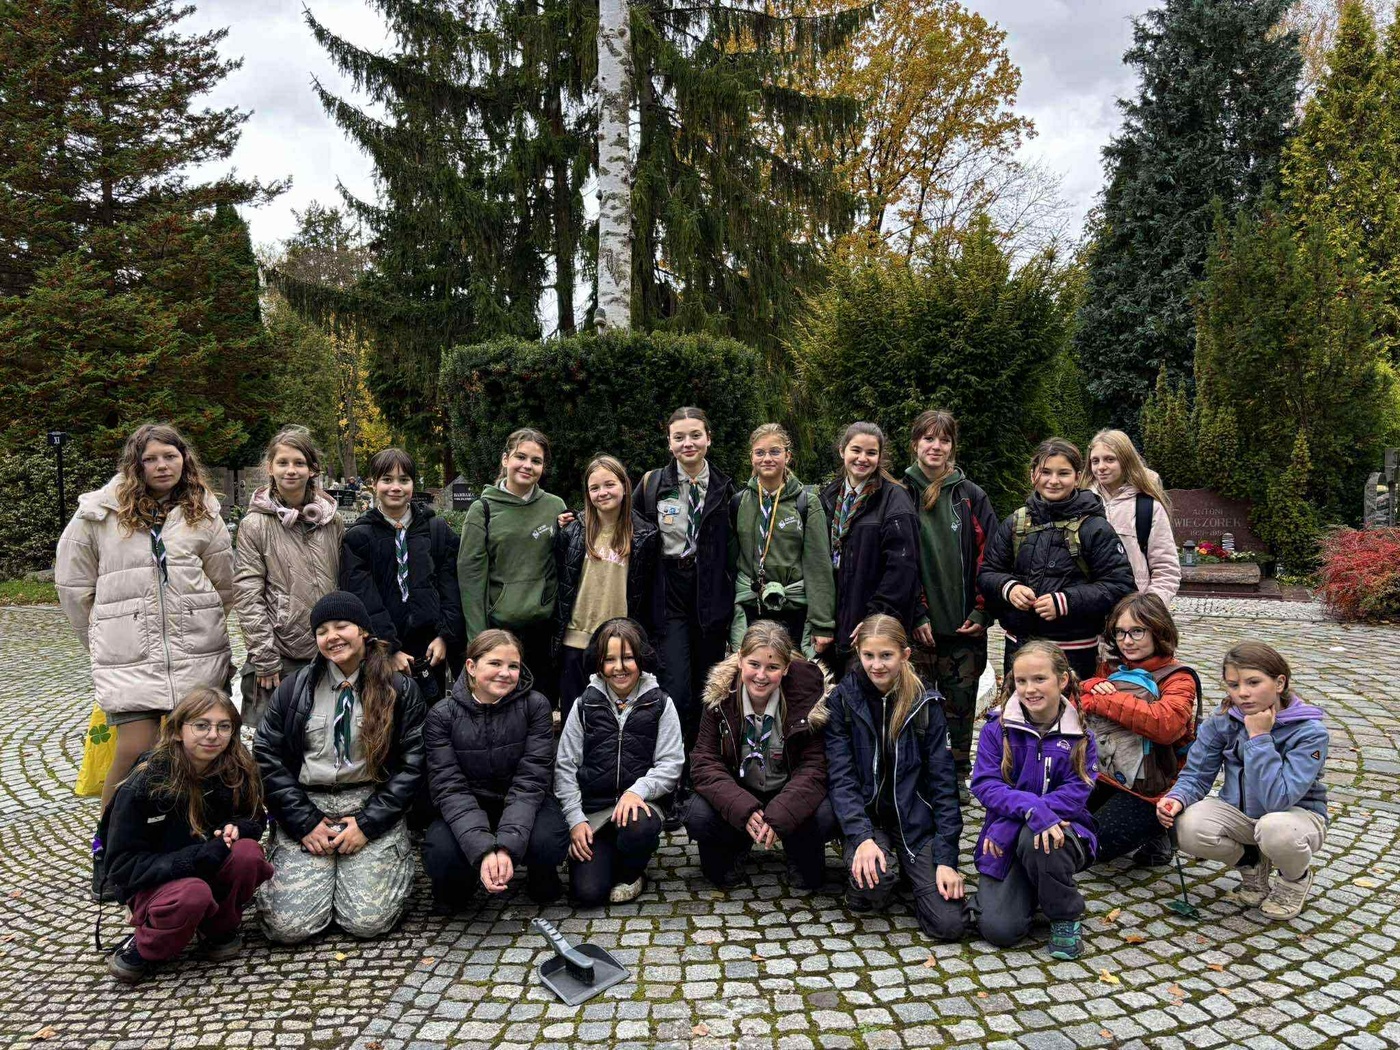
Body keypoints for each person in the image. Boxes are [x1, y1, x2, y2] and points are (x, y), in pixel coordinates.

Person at [56, 423, 235, 895]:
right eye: (152, 458)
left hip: (196, 655)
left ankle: (186, 844)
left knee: (197, 754)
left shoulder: (204, 514)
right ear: (136, 463)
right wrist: (101, 637)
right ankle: (109, 853)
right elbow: (74, 588)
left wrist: (200, 620)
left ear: (184, 460)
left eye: (170, 457)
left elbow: (225, 584)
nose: (162, 466)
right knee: (134, 754)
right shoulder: (98, 515)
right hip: (130, 656)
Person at [254, 591, 426, 943]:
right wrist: (303, 821)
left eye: (341, 626)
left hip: (368, 803)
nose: (331, 637)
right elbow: (267, 755)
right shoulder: (294, 689)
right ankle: (317, 877)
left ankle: (385, 863)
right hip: (309, 805)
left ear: (363, 631)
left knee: (367, 923)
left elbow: (413, 765)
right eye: (322, 631)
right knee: (288, 929)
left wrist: (367, 824)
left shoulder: (399, 689)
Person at [101, 687, 271, 983]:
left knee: (248, 855)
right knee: (193, 893)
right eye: (202, 725)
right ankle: (146, 944)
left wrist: (240, 827)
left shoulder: (237, 767)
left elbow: (255, 818)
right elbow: (120, 867)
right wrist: (193, 859)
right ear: (178, 730)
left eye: (224, 726)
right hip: (160, 881)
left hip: (208, 865)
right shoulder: (147, 782)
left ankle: (219, 927)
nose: (213, 735)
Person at [1158, 642, 1328, 921]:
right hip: (1241, 815)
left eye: (1253, 682)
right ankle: (1252, 863)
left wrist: (1259, 738)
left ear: (1280, 682)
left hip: (1295, 816)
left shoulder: (1310, 732)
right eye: (1233, 685)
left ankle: (1293, 880)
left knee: (1275, 829)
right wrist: (1176, 799)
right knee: (1186, 825)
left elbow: (1279, 800)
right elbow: (1197, 774)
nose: (1243, 693)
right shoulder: (1223, 719)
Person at [824, 614, 968, 941]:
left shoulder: (926, 704)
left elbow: (944, 787)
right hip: (868, 819)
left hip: (914, 825)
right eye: (869, 656)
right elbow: (841, 778)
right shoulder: (843, 701)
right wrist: (861, 837)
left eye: (886, 656)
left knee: (950, 925)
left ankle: (911, 869)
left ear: (904, 655)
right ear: (858, 655)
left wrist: (947, 860)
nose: (877, 665)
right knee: (871, 889)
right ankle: (875, 863)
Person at [421, 630, 570, 912]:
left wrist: (506, 847)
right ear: (471, 667)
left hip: (523, 803)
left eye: (513, 666)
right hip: (467, 804)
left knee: (548, 840)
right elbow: (449, 788)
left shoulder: (536, 706)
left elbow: (531, 781)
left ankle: (540, 875)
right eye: (495, 664)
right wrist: (483, 849)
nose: (505, 673)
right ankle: (464, 881)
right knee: (441, 854)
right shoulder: (441, 716)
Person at [686, 621, 836, 890]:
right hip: (741, 791)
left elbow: (815, 767)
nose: (761, 675)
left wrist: (781, 813)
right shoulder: (720, 698)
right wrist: (743, 808)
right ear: (740, 659)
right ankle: (736, 844)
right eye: (754, 664)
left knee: (825, 816)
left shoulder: (808, 701)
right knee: (698, 815)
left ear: (786, 668)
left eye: (773, 667)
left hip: (786, 791)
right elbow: (704, 762)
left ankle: (796, 848)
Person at [971, 640, 1098, 960]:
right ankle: (1035, 890)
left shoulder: (1081, 735)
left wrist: (1017, 825)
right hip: (1010, 834)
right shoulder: (996, 729)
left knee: (1036, 836)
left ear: (1063, 680)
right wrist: (1030, 810)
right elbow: (985, 785)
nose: (1029, 689)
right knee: (1000, 930)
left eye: (1040, 679)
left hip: (1063, 833)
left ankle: (1065, 915)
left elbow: (1076, 792)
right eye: (1022, 680)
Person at [978, 437, 1135, 680]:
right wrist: (1009, 588)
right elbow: (988, 572)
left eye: (1063, 473)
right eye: (1045, 472)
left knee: (1071, 715)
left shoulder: (1095, 528)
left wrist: (1066, 602)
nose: (1053, 481)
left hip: (1074, 652)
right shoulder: (1015, 523)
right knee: (1021, 714)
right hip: (1020, 648)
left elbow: (1121, 586)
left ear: (1077, 476)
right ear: (1033, 475)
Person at [554, 618, 684, 905]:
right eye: (609, 659)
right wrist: (576, 820)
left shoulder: (661, 704)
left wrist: (637, 791)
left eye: (627, 658)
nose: (619, 667)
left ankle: (632, 871)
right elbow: (565, 766)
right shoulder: (584, 705)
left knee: (637, 826)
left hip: (640, 808)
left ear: (641, 659)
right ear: (599, 663)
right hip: (595, 814)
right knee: (587, 894)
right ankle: (606, 856)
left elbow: (671, 763)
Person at [902, 410, 998, 786]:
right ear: (915, 444)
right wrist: (916, 614)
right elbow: (898, 563)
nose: (935, 446)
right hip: (918, 631)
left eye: (943, 440)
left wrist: (982, 610)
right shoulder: (899, 493)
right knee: (916, 710)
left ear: (952, 446)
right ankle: (918, 778)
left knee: (960, 712)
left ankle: (956, 776)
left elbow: (991, 557)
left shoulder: (971, 496)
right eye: (928, 438)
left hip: (965, 630)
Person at [633, 407, 736, 754]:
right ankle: (673, 760)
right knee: (675, 683)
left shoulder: (726, 488)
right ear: (669, 442)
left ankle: (705, 757)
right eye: (679, 437)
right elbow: (623, 524)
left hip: (709, 592)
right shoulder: (652, 485)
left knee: (710, 682)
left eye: (695, 435)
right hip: (669, 590)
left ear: (709, 438)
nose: (688, 443)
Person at [234, 426, 344, 728]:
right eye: (283, 462)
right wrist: (265, 656)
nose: (291, 470)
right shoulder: (255, 525)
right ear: (270, 468)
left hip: (330, 649)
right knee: (277, 745)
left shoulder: (330, 521)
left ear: (312, 469)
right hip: (282, 652)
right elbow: (248, 594)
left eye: (299, 463)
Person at [1081, 593, 1199, 868]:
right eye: (1120, 633)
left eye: (1137, 631)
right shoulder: (1112, 667)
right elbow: (1078, 703)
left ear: (1158, 630)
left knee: (1094, 845)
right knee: (1063, 823)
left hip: (1150, 787)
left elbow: (1165, 725)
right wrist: (1088, 686)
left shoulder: (1178, 677)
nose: (1127, 641)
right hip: (1106, 774)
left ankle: (1160, 831)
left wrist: (1104, 699)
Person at [340, 448, 463, 706]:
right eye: (387, 479)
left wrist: (444, 636)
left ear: (412, 484)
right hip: (382, 651)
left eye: (404, 479)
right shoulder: (359, 537)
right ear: (374, 483)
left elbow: (450, 586)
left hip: (431, 649)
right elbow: (364, 597)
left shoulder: (435, 530)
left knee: (432, 723)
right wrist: (389, 649)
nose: (395, 487)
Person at [458, 428, 567, 702]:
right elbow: (471, 578)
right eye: (521, 457)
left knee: (539, 709)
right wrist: (479, 640)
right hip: (500, 631)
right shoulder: (482, 510)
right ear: (505, 459)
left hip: (543, 630)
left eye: (536, 460)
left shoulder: (555, 507)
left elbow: (564, 564)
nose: (527, 466)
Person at [554, 455, 660, 714]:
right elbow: (561, 579)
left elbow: (647, 593)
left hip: (619, 643)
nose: (602, 492)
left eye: (609, 484)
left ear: (624, 485)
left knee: (614, 716)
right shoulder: (574, 529)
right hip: (576, 638)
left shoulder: (645, 534)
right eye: (595, 487)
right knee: (574, 715)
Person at [816, 422, 919, 678]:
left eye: (871, 453)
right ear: (842, 451)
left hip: (870, 627)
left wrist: (875, 619)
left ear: (880, 457)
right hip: (833, 624)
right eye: (856, 450)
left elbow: (902, 568)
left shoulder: (894, 499)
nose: (862, 458)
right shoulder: (828, 497)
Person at [730, 423, 836, 658]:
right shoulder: (739, 503)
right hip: (752, 609)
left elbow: (818, 565)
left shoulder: (806, 503)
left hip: (793, 609)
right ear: (751, 458)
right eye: (760, 452)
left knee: (792, 679)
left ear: (787, 456)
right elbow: (730, 563)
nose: (767, 458)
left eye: (775, 451)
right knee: (755, 677)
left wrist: (822, 623)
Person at [1084, 429, 1181, 605]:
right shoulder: (1080, 503)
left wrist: (1147, 609)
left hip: (1131, 611)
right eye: (1095, 461)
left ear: (1126, 460)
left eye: (1110, 459)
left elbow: (1166, 570)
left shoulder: (1147, 507)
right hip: (1087, 611)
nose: (1101, 467)